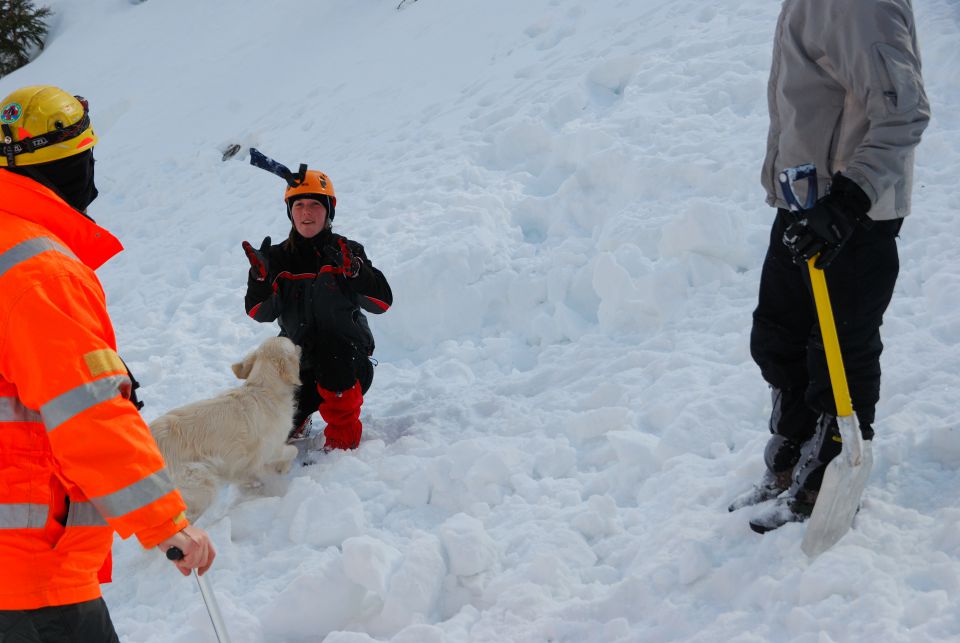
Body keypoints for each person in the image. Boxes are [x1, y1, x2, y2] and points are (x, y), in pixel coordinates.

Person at [0, 85, 216, 641]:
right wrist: (166, 523)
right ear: (74, 166)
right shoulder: (37, 270)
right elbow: (85, 408)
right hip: (28, 572)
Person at [729, 0, 930, 533]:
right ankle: (793, 457)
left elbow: (904, 111)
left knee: (838, 353)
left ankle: (825, 483)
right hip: (803, 204)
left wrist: (845, 204)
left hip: (851, 217)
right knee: (778, 336)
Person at [242, 168, 392, 450]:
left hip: (348, 364)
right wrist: (260, 280)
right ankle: (295, 421)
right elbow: (260, 313)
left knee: (331, 351)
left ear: (328, 211)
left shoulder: (346, 252)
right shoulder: (275, 258)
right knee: (264, 394)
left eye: (314, 205)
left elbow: (382, 303)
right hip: (300, 364)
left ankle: (342, 438)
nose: (306, 213)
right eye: (298, 205)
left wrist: (357, 273)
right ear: (290, 212)